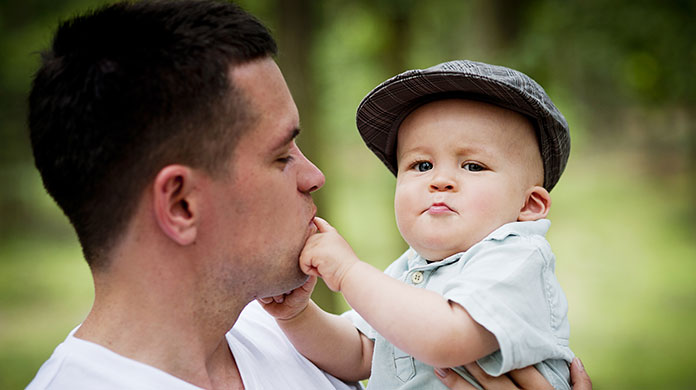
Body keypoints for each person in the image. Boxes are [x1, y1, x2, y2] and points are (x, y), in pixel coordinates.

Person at [25, 0, 592, 388]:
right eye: (282, 155)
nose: (316, 175)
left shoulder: (267, 339)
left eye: (471, 164)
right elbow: (368, 348)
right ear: (181, 204)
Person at [260, 60, 577, 389]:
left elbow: (447, 338)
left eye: (472, 166)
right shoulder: (410, 270)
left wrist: (348, 273)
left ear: (529, 205)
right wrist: (298, 316)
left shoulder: (517, 258)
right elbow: (359, 353)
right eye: (422, 164)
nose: (440, 180)